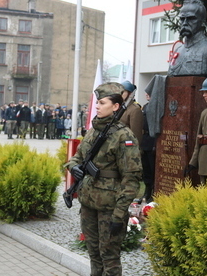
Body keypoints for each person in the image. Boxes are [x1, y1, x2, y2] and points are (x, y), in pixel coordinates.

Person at [65, 82, 142, 276]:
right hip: (89, 202)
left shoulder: (124, 136)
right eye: (97, 102)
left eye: (102, 102)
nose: (97, 106)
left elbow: (131, 179)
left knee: (109, 256)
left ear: (115, 106)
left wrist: (119, 214)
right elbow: (77, 157)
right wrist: (74, 167)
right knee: (94, 253)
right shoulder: (94, 131)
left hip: (110, 206)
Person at [168, 0, 207, 77]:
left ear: (203, 22)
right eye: (182, 19)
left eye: (191, 19)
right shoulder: (178, 50)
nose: (185, 23)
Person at [140, 92, 156, 201]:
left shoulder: (156, 106)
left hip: (152, 139)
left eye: (149, 93)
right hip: (145, 139)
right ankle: (147, 191)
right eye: (146, 93)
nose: (146, 95)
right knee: (146, 169)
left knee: (152, 168)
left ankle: (153, 192)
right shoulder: (145, 107)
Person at [120, 80, 144, 146]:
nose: (120, 94)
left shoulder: (135, 110)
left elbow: (136, 134)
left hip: (127, 147)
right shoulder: (119, 107)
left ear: (130, 93)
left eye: (123, 92)